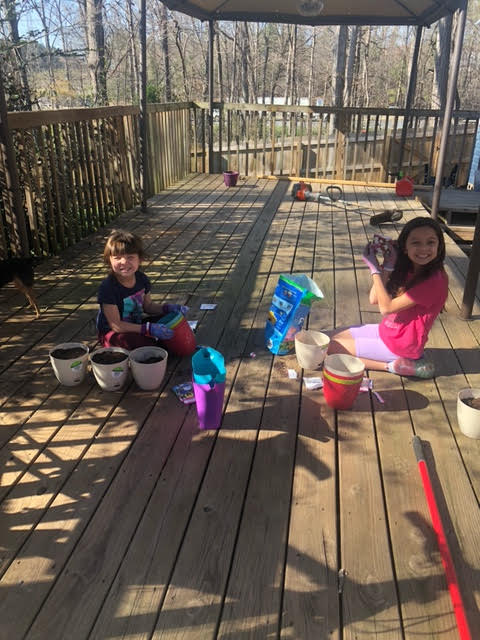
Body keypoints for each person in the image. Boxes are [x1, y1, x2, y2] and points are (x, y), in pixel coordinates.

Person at [327, 216, 448, 378]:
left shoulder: (435, 281)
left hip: (401, 346)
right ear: (404, 247)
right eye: (416, 243)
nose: (424, 249)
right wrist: (388, 265)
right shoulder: (408, 267)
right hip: (386, 332)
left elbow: (386, 308)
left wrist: (375, 271)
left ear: (439, 246)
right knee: (328, 336)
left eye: (431, 242)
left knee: (329, 347)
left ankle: (392, 366)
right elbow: (374, 299)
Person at [96, 229, 189, 350]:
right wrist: (147, 329)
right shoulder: (107, 288)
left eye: (130, 257)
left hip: (137, 325)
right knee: (145, 345)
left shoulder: (142, 279)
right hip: (112, 333)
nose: (124, 262)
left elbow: (148, 306)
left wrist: (168, 308)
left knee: (172, 322)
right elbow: (116, 326)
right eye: (117, 258)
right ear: (109, 260)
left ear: (140, 259)